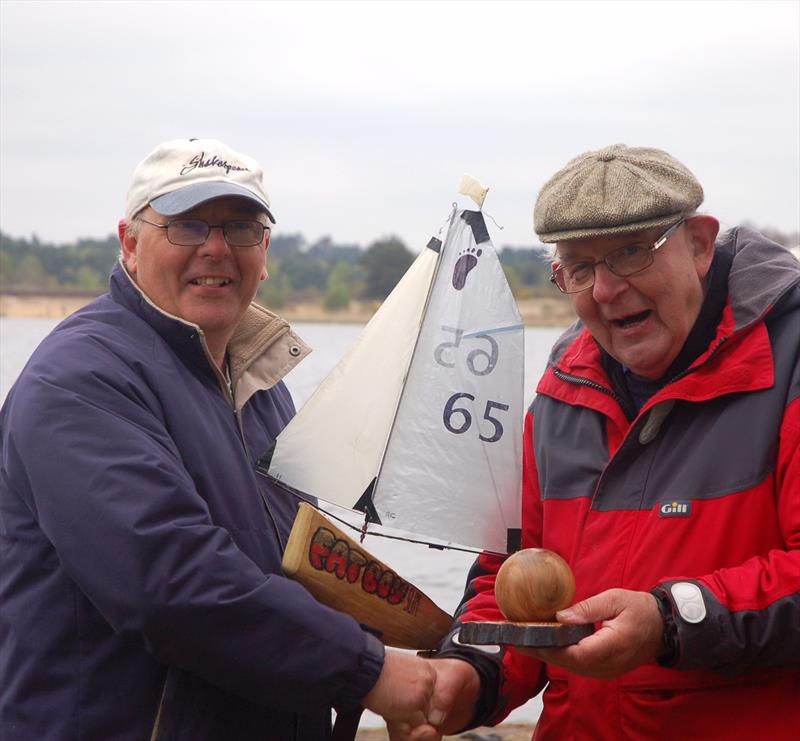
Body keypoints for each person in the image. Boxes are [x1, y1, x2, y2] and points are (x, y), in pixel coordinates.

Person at [0, 138, 438, 740]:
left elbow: (294, 567)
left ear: (265, 250)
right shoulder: (81, 378)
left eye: (240, 227)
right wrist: (369, 671)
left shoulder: (256, 382)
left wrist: (431, 644)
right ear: (130, 242)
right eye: (187, 225)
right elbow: (170, 584)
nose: (215, 248)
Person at [400, 144, 800, 740]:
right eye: (579, 268)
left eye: (630, 252)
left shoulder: (788, 366)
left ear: (699, 242)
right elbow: (511, 577)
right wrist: (471, 673)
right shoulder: (561, 397)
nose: (606, 290)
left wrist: (671, 620)